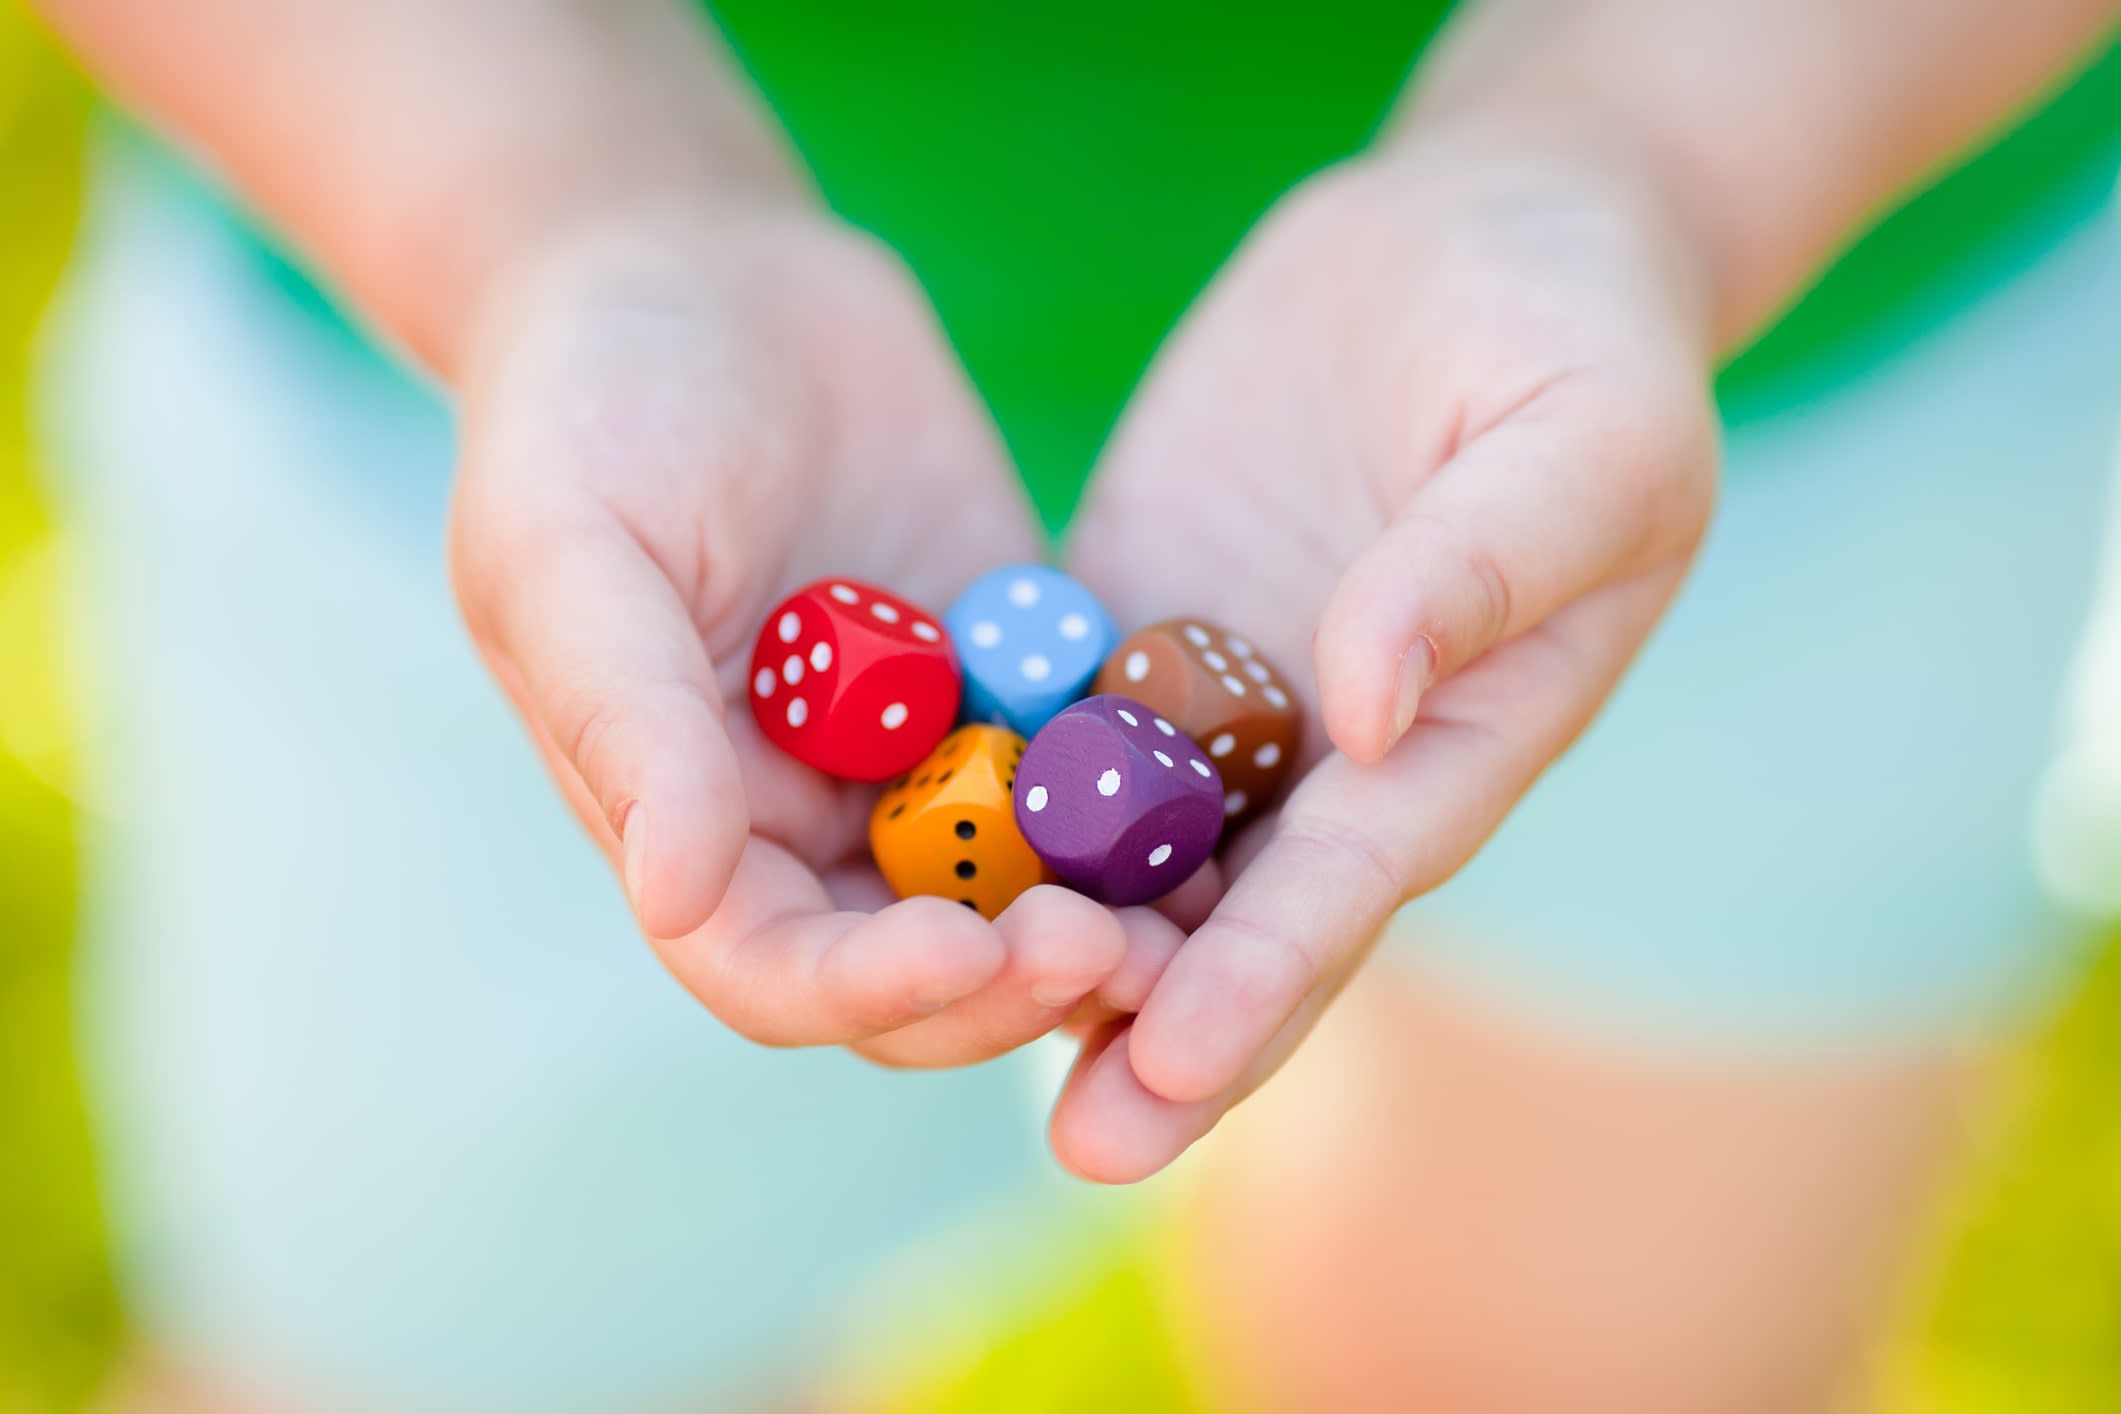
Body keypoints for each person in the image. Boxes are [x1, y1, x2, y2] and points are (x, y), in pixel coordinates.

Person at [27, 0, 2121, 1408]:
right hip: (477, 355)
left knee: (1589, 1344)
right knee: (441, 1339)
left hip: (1793, 339)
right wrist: (568, 211)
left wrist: (1629, 162)